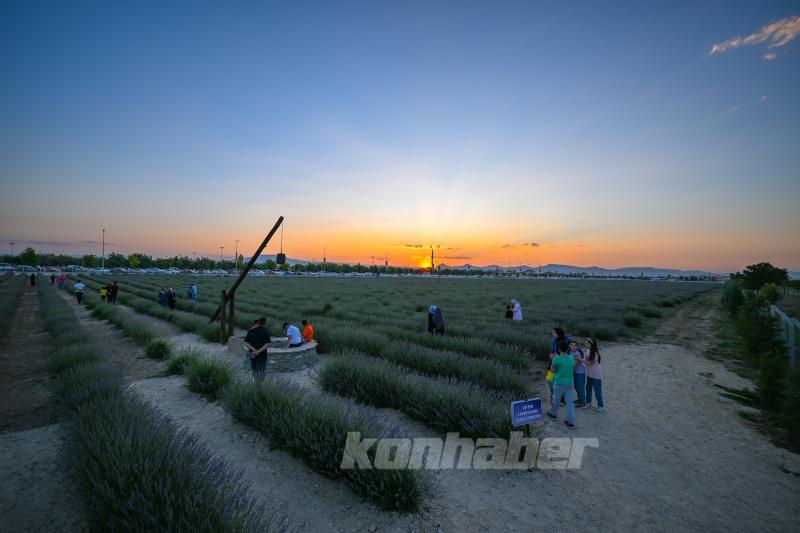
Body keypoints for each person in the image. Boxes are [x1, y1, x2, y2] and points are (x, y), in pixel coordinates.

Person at [547, 341, 576, 430]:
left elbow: (552, 370)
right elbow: (573, 366)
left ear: (559, 349)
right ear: (568, 349)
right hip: (570, 382)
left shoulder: (557, 359)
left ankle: (553, 414)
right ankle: (570, 421)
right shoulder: (571, 358)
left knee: (556, 399)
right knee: (569, 402)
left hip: (559, 382)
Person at [584, 338, 604, 412]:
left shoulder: (595, 353)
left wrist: (581, 360)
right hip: (590, 374)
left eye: (588, 343)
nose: (586, 344)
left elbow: (589, 363)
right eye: (586, 343)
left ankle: (601, 406)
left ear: (592, 344)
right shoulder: (589, 350)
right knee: (588, 388)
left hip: (596, 375)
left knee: (597, 391)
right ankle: (588, 402)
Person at [569, 340, 588, 408]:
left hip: (580, 372)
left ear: (577, 347)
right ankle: (580, 399)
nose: (573, 347)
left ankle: (583, 402)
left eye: (575, 345)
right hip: (574, 372)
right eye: (571, 345)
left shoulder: (577, 353)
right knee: (576, 386)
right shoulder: (570, 352)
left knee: (580, 387)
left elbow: (574, 365)